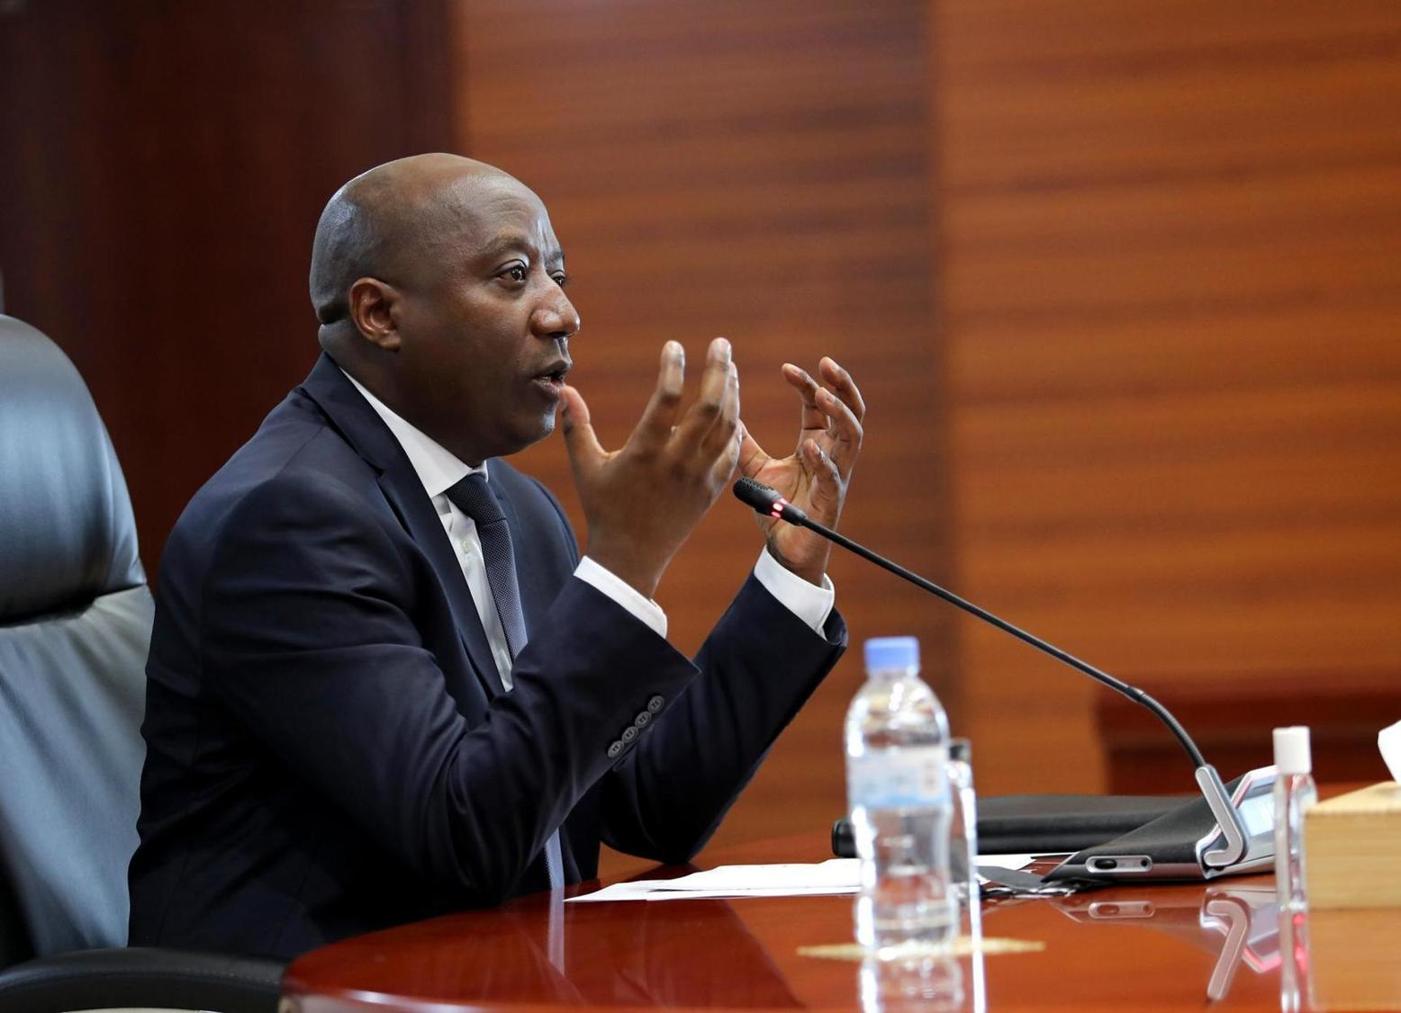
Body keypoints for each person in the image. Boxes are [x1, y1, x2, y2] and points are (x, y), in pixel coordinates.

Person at [128, 153, 866, 959]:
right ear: (379, 314)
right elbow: (464, 835)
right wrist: (624, 564)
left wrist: (789, 570)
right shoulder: (287, 522)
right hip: (320, 988)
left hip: (501, 977)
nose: (562, 312)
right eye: (514, 276)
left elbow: (651, 805)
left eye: (557, 275)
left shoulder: (518, 509)